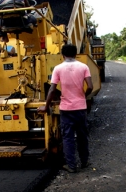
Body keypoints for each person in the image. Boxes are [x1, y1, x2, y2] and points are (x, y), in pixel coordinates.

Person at [37, 44, 93, 173]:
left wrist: (46, 106)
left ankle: (71, 166)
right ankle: (84, 162)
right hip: (80, 108)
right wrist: (82, 96)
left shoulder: (58, 68)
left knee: (68, 137)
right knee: (82, 136)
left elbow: (52, 90)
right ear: (75, 54)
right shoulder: (84, 67)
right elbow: (90, 86)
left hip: (66, 109)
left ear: (63, 55)